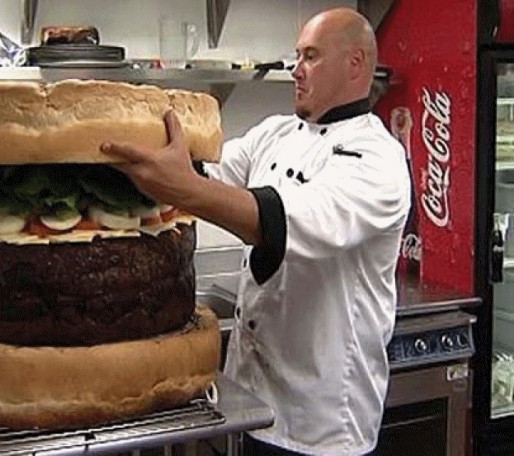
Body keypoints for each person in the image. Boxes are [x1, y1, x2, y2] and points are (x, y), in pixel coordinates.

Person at [101, 7, 410, 456]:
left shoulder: (378, 159)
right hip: (252, 403)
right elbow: (209, 174)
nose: (296, 70)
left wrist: (184, 189)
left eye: (311, 56)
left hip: (321, 425)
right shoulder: (277, 133)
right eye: (296, 56)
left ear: (355, 63)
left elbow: (281, 220)